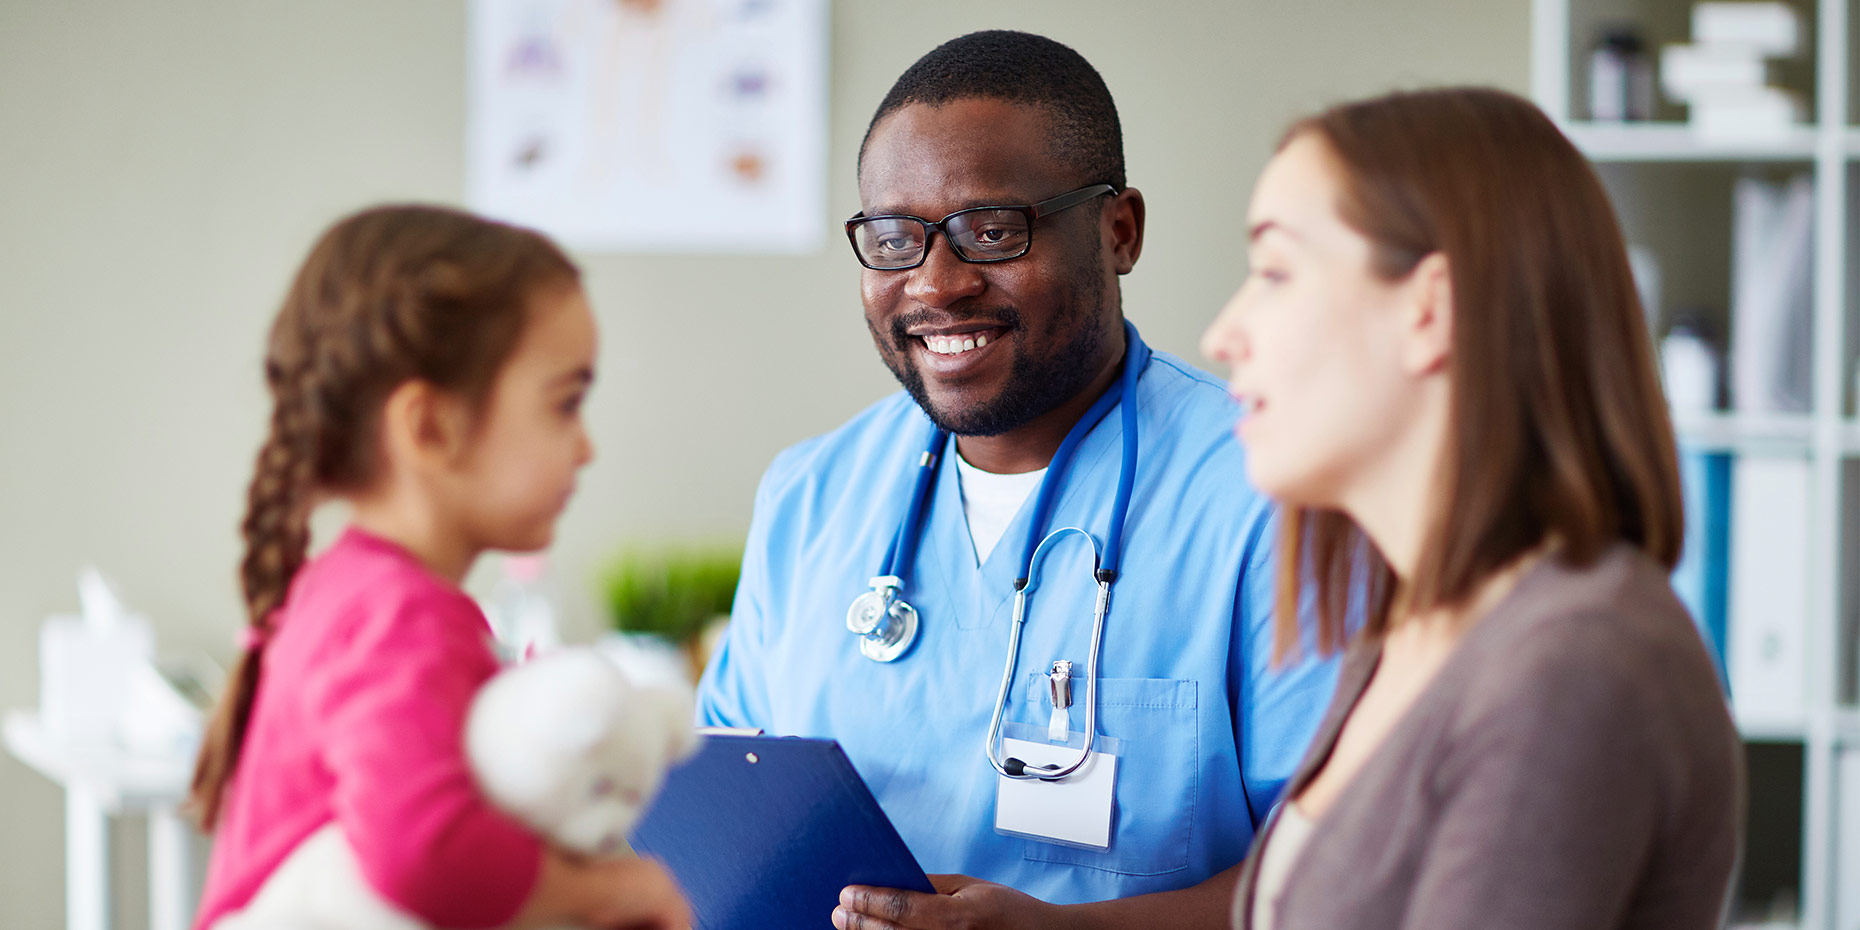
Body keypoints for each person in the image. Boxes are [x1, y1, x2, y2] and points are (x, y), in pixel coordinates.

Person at [696, 30, 1335, 930]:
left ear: (1119, 231)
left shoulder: (1276, 495)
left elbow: (1348, 877)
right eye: (895, 239)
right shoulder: (810, 496)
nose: (937, 284)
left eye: (992, 232)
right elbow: (727, 824)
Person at [1200, 87, 1742, 930]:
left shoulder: (1571, 662)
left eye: (1274, 273)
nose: (1222, 335)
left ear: (1431, 309)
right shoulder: (1405, 632)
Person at [189, 205, 689, 930]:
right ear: (430, 427)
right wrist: (617, 892)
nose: (587, 448)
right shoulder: (399, 614)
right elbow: (424, 853)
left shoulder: (348, 590)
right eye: (565, 404)